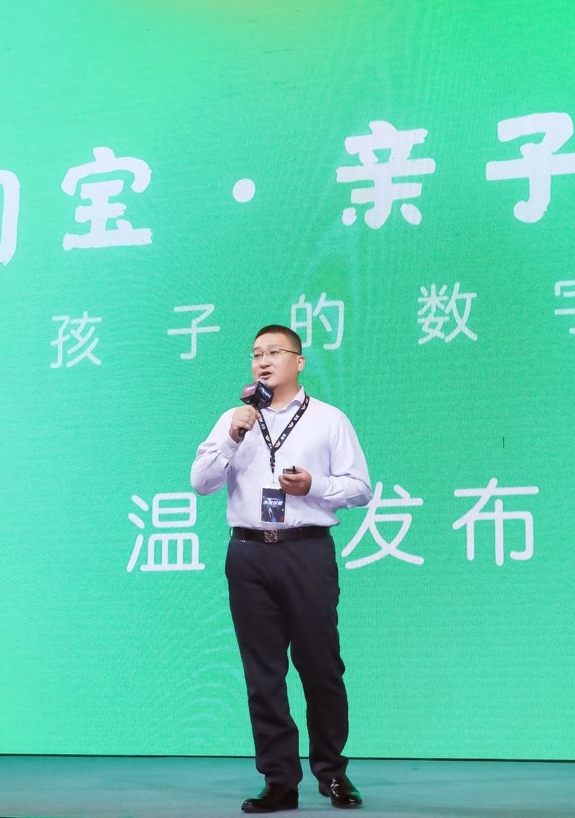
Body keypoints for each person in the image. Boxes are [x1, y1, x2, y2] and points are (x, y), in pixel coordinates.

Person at [192, 324, 372, 813]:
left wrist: (315, 486)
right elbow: (201, 482)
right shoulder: (234, 420)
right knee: (263, 674)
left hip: (305, 551)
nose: (263, 361)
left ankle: (332, 773)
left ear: (299, 361)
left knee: (321, 667)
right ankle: (279, 781)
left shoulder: (329, 419)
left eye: (274, 352)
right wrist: (232, 437)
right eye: (256, 354)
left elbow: (360, 488)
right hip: (248, 554)